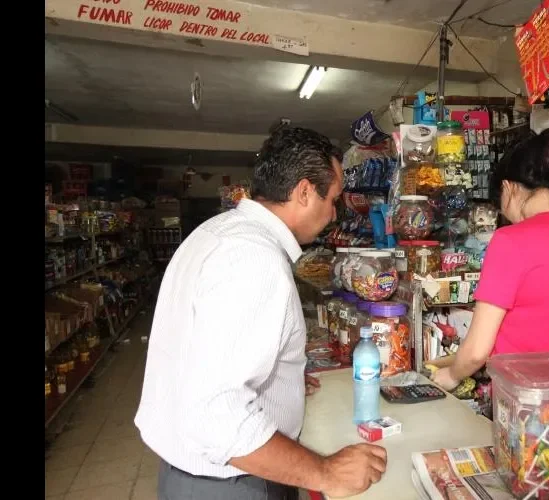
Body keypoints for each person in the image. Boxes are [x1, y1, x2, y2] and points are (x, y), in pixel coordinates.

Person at [135, 126, 387, 500]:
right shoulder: (253, 260)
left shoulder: (219, 231)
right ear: (304, 192)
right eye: (332, 200)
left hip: (201, 477)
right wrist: (326, 472)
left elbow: (202, 355)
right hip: (232, 483)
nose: (334, 214)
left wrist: (275, 382)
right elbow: (216, 415)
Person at [431, 128, 549, 391]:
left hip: (532, 406)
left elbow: (475, 352)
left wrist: (451, 375)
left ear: (508, 188)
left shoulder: (510, 240)